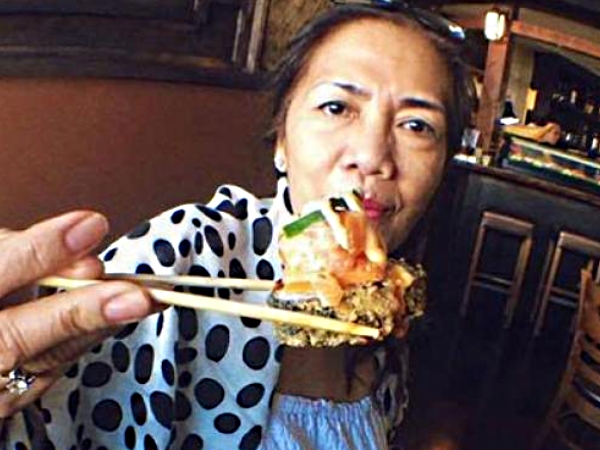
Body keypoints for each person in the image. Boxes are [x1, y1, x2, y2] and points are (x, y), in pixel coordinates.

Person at [0, 3, 473, 449]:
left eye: (417, 126)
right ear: (281, 140)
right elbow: (40, 422)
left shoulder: (389, 305)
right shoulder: (181, 256)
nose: (372, 156)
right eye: (336, 107)